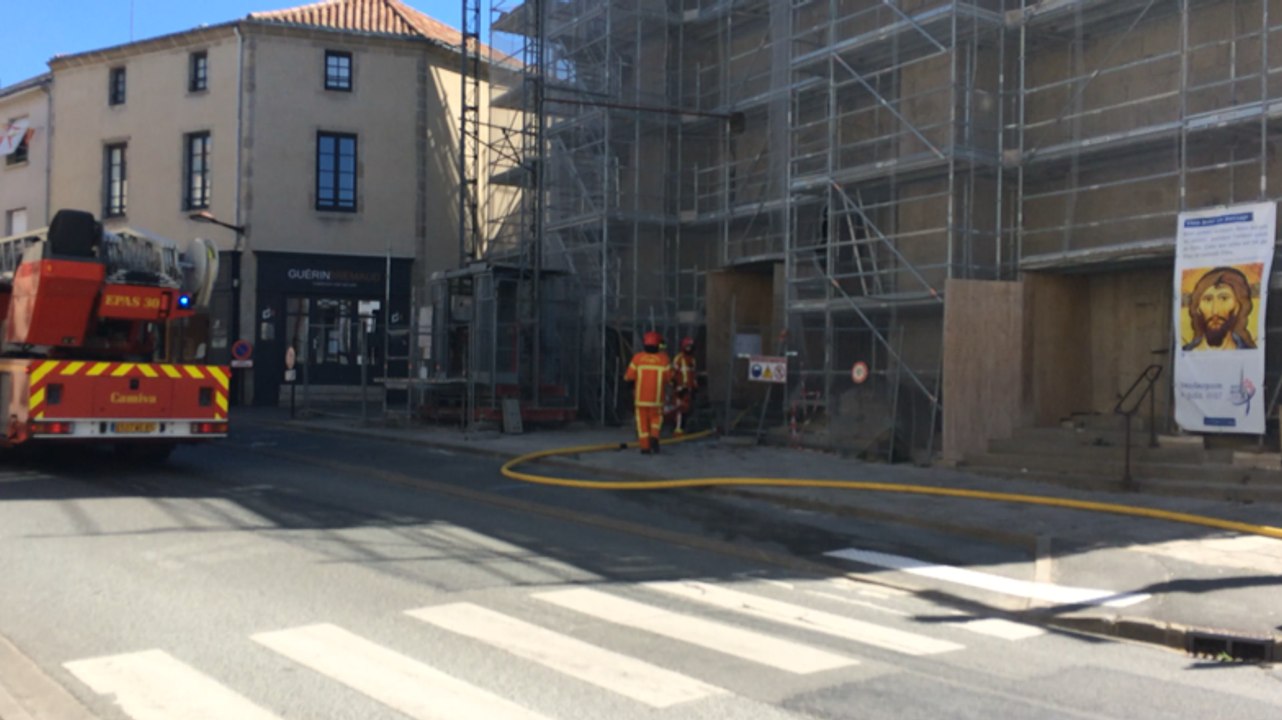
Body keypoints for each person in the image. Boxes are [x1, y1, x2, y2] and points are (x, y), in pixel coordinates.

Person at [1182, 266, 1257, 351]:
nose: (1215, 311)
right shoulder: (1185, 353)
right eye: (1208, 299)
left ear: (1238, 307)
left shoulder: (1248, 352)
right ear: (1198, 308)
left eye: (1224, 298)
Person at [625, 331, 671, 454]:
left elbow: (629, 377)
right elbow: (669, 378)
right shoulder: (664, 359)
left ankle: (645, 448)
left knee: (642, 424)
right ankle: (654, 437)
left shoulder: (637, 358)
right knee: (656, 419)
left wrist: (630, 390)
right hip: (656, 399)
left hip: (640, 399)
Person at [669, 337, 697, 435]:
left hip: (688, 389)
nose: (689, 348)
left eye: (690, 346)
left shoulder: (692, 359)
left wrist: (694, 387)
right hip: (680, 389)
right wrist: (677, 387)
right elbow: (673, 374)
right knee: (679, 409)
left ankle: (682, 428)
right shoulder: (678, 358)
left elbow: (692, 374)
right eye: (687, 346)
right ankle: (677, 429)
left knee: (686, 409)